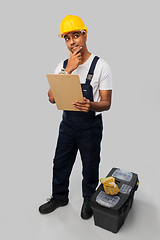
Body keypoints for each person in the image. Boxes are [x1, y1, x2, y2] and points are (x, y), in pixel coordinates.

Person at [39, 15, 112, 220]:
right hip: (68, 125)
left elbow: (106, 103)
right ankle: (59, 197)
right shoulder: (62, 66)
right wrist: (68, 70)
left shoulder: (101, 66)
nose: (72, 42)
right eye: (67, 38)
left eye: (76, 35)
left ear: (85, 35)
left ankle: (89, 198)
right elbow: (52, 98)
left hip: (90, 126)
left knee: (90, 165)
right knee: (60, 162)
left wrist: (91, 105)